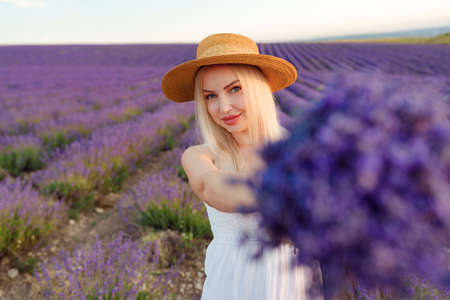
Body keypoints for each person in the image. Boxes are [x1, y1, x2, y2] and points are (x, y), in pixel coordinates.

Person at [161, 33, 322, 300]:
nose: (224, 107)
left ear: (258, 87)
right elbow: (210, 188)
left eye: (235, 89)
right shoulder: (200, 155)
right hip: (232, 284)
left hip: (291, 285)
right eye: (211, 96)